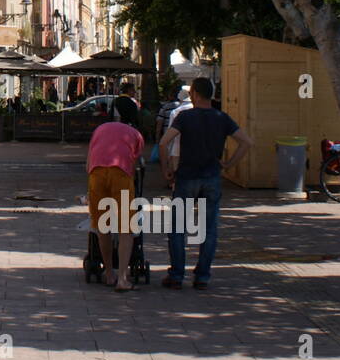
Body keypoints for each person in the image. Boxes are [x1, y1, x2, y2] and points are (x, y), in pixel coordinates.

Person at [157, 78, 253, 290]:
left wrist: (166, 170)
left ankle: (176, 274)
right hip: (212, 177)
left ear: (195, 94)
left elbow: (164, 142)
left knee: (177, 229)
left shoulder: (185, 116)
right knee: (209, 229)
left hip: (187, 176)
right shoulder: (222, 118)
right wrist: (228, 164)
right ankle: (202, 276)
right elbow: (247, 142)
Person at [87, 120, 144, 293]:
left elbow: (88, 161)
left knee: (103, 226)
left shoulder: (99, 128)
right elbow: (136, 163)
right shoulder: (136, 134)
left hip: (96, 173)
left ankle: (109, 273)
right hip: (120, 172)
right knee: (126, 228)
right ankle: (122, 278)